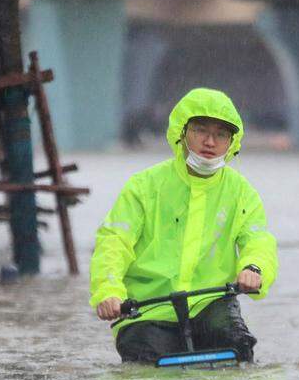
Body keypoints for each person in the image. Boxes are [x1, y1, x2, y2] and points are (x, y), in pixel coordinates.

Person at [90, 88, 278, 363]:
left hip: (210, 303)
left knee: (238, 349)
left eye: (221, 134)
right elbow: (114, 241)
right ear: (182, 132)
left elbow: (257, 240)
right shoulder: (144, 186)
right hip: (148, 309)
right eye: (201, 130)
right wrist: (108, 291)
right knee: (145, 365)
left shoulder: (241, 192)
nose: (210, 142)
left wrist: (254, 268)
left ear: (232, 143)